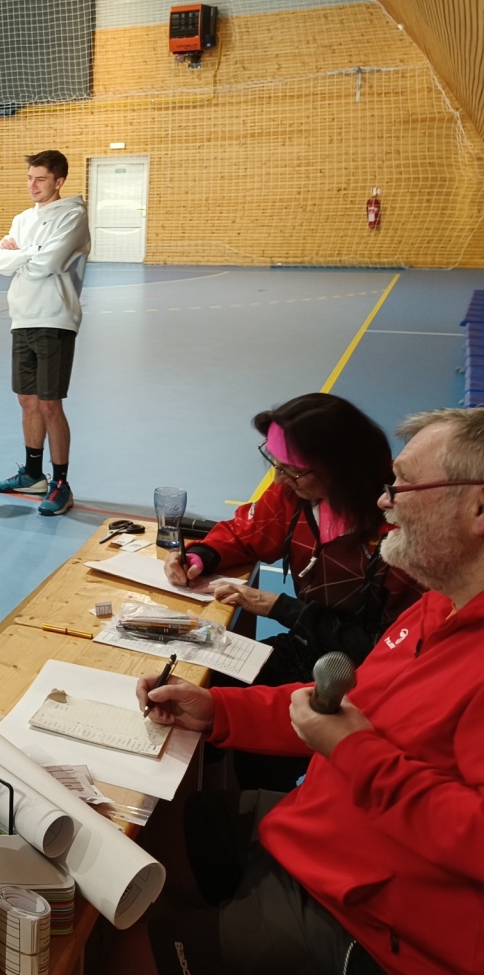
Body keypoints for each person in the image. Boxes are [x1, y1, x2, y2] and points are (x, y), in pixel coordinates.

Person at [120, 407, 484, 975]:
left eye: (404, 486)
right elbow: (341, 707)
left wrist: (354, 751)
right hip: (329, 829)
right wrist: (217, 710)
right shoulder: (441, 600)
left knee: (123, 947)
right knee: (153, 847)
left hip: (376, 916)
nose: (387, 502)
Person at [167, 393, 420, 687]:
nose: (279, 480)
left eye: (294, 471)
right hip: (306, 646)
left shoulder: (406, 536)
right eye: (276, 464)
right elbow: (245, 532)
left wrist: (281, 608)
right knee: (190, 679)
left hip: (369, 677)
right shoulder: (295, 494)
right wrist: (202, 555)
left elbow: (398, 648)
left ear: (343, 468)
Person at [0, 150, 89, 516]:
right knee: (27, 401)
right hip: (22, 318)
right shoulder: (22, 219)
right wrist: (30, 254)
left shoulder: (73, 216)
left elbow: (49, 263)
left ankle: (61, 483)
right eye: (30, 178)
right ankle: (33, 475)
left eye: (41, 179)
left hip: (55, 319)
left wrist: (22, 255)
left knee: (50, 404)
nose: (33, 185)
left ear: (59, 181)